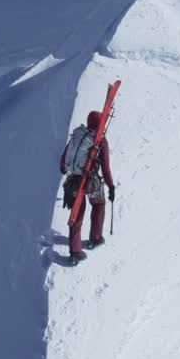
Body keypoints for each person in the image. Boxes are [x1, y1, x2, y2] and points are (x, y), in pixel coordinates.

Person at [61, 110, 115, 262]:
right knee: (99, 204)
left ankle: (75, 251)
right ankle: (95, 238)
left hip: (73, 180)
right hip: (91, 181)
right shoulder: (100, 140)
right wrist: (111, 186)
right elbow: (105, 168)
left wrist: (64, 168)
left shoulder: (78, 135)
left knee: (77, 213)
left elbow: (64, 159)